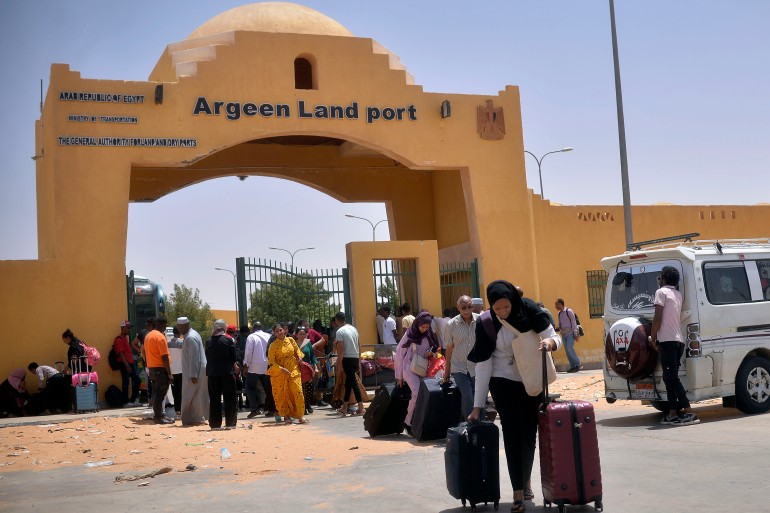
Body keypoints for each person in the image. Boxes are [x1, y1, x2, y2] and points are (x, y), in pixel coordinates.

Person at [468, 280, 561, 513]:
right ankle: (517, 492)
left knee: (529, 433)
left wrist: (550, 343)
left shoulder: (528, 309)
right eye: (497, 308)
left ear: (512, 301)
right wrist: (477, 405)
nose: (502, 312)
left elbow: (553, 336)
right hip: (502, 382)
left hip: (530, 381)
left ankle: (526, 479)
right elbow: (483, 365)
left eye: (505, 307)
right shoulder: (486, 323)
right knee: (511, 433)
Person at [652, 266, 700, 426]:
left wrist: (652, 338)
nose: (659, 280)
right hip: (678, 341)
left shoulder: (661, 292)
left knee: (672, 378)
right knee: (668, 377)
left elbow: (657, 318)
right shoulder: (677, 294)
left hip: (667, 341)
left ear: (663, 278)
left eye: (660, 277)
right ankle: (672, 412)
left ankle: (689, 411)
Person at [395, 310, 440, 435]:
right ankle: (408, 422)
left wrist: (431, 353)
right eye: (422, 327)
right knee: (416, 392)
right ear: (417, 324)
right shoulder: (409, 335)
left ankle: (419, 420)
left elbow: (436, 351)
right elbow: (399, 353)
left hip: (423, 369)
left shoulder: (429, 335)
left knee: (423, 395)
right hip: (408, 367)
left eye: (427, 327)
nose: (424, 329)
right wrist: (399, 376)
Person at [443, 295, 479, 419]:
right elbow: (449, 348)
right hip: (459, 367)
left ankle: (480, 426)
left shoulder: (480, 321)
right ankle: (469, 426)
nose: (467, 310)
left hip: (477, 366)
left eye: (470, 307)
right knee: (468, 395)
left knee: (480, 397)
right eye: (464, 307)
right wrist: (446, 372)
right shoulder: (451, 324)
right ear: (458, 308)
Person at [266, 323, 309, 424]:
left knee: (298, 391)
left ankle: (300, 416)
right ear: (274, 333)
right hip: (280, 373)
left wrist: (299, 358)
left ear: (284, 330)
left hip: (293, 370)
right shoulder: (273, 346)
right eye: (277, 331)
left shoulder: (291, 340)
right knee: (283, 395)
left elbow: (297, 351)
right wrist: (281, 369)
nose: (280, 332)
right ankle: (286, 416)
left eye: (281, 330)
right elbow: (271, 361)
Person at [332, 312, 366, 416]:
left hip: (347, 359)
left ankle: (361, 407)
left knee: (353, 383)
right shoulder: (353, 329)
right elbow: (359, 345)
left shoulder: (340, 332)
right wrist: (359, 360)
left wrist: (338, 365)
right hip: (355, 358)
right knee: (349, 383)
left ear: (337, 321)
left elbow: (341, 351)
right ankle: (345, 407)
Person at [206, 319, 238, 429]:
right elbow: (233, 357)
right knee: (230, 398)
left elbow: (207, 356)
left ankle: (215, 424)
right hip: (227, 373)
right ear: (224, 328)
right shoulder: (228, 341)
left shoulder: (209, 341)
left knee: (214, 398)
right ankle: (230, 423)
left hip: (212, 374)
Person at [178, 317, 208, 426]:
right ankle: (196, 418)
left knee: (192, 395)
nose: (180, 329)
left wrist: (193, 374)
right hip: (195, 370)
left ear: (187, 324)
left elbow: (194, 357)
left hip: (195, 372)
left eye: (182, 327)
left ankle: (195, 419)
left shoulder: (190, 337)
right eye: (178, 327)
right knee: (196, 395)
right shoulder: (192, 335)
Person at [144, 316, 174, 424]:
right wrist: (169, 374)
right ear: (162, 324)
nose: (166, 327)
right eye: (165, 325)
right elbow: (164, 356)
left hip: (152, 368)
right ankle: (158, 416)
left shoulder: (148, 336)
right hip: (160, 369)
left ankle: (159, 415)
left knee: (156, 393)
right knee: (160, 394)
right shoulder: (160, 337)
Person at [244, 322, 271, 419]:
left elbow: (248, 353)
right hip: (267, 365)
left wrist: (246, 365)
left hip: (254, 367)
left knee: (250, 387)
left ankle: (254, 409)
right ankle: (270, 409)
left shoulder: (251, 337)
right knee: (268, 388)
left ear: (253, 328)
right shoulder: (269, 336)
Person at [114, 320, 141, 407]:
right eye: (128, 328)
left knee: (136, 380)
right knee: (126, 382)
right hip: (125, 364)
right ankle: (125, 402)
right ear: (123, 328)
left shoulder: (125, 339)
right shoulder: (119, 339)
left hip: (130, 363)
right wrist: (127, 365)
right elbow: (121, 354)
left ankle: (132, 400)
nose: (129, 330)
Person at [555, 298, 582, 373]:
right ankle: (573, 366)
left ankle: (577, 364)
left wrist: (575, 334)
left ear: (560, 304)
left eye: (556, 304)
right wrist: (557, 328)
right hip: (564, 334)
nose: (555, 306)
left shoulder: (569, 311)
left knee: (570, 348)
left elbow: (573, 323)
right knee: (567, 351)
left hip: (570, 333)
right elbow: (560, 324)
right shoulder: (559, 314)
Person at [296, 327, 319, 415]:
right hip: (297, 368)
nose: (302, 336)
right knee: (300, 388)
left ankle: (307, 405)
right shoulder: (294, 343)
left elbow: (313, 356)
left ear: (306, 335)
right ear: (297, 334)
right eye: (300, 334)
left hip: (308, 368)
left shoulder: (308, 343)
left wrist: (316, 367)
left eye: (303, 334)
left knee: (309, 387)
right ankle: (301, 407)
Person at [167, 326, 183, 417]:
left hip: (172, 371)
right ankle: (182, 410)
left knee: (175, 392)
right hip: (181, 371)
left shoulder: (168, 344)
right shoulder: (182, 343)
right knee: (182, 391)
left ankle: (177, 411)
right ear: (180, 332)